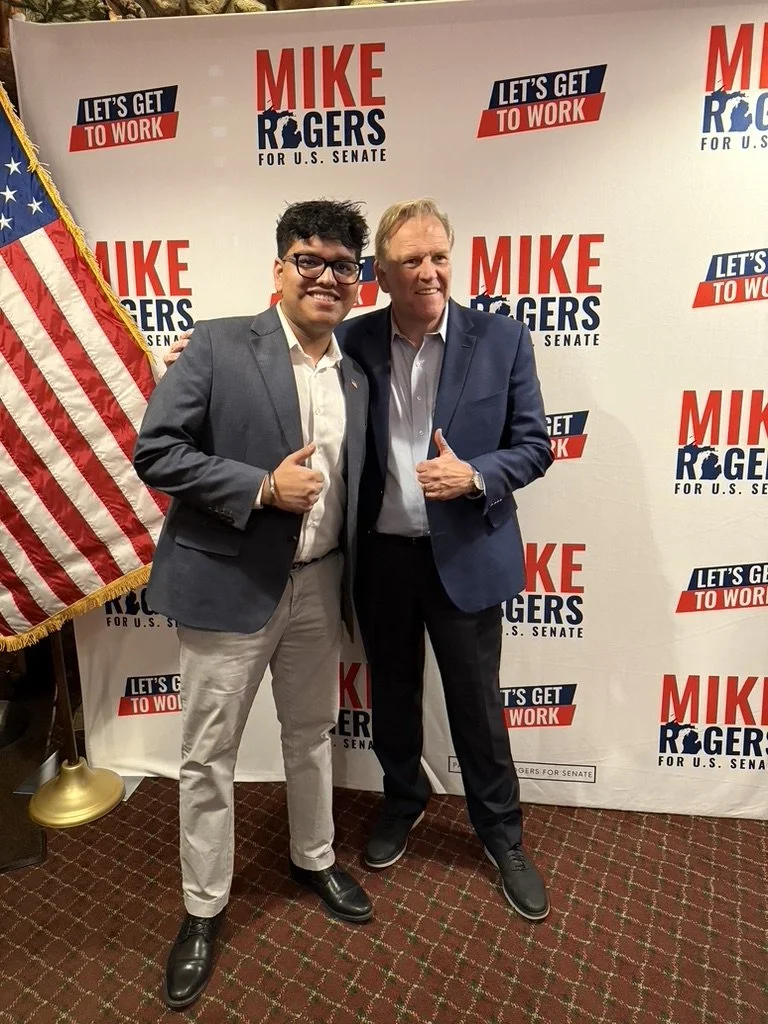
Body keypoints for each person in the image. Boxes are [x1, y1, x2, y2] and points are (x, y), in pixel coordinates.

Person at [134, 199, 372, 1012]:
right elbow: (156, 452)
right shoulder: (216, 344)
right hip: (228, 584)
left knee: (311, 735)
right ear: (279, 269)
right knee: (208, 757)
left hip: (321, 584)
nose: (327, 277)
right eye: (310, 259)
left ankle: (315, 856)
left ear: (355, 282)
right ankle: (202, 911)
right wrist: (262, 486)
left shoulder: (356, 372)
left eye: (343, 265)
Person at [336, 198, 553, 922]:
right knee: (392, 693)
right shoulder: (353, 341)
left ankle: (502, 833)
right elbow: (281, 361)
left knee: (477, 703)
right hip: (383, 559)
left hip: (465, 553)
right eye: (411, 261)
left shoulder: (502, 339)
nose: (429, 273)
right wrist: (190, 355)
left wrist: (476, 475)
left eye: (439, 257)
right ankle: (404, 800)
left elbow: (535, 444)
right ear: (382, 274)